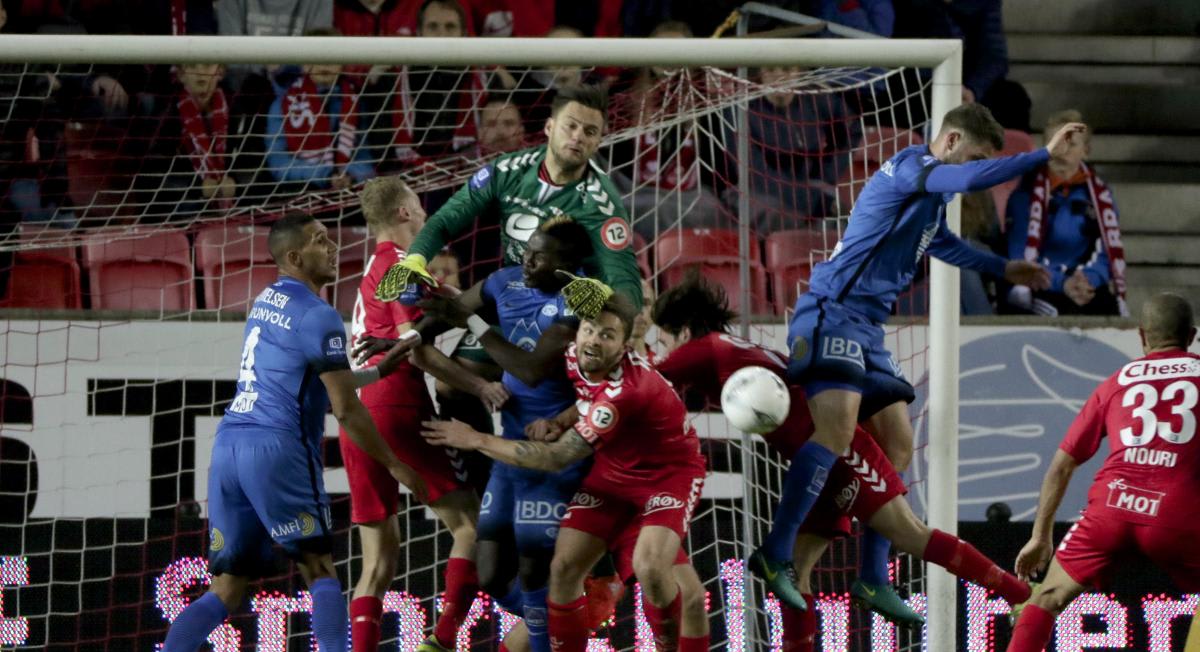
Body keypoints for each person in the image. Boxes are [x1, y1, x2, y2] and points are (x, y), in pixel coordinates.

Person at [751, 103, 1081, 612]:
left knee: (900, 446)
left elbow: (942, 243)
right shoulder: (910, 167)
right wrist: (1042, 155)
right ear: (950, 142)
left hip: (867, 328)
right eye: (973, 157)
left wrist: (1002, 268)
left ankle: (872, 577)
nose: (973, 170)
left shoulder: (931, 196)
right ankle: (776, 552)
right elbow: (969, 178)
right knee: (835, 433)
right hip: (831, 312)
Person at [652, 272, 1036, 640]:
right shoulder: (728, 346)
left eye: (663, 339)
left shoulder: (702, 349)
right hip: (817, 461)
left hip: (839, 451)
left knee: (910, 533)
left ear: (683, 332)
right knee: (797, 570)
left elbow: (647, 376)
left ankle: (1019, 594)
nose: (663, 347)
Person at [161, 212, 426, 652]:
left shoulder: (266, 300)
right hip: (277, 446)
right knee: (319, 567)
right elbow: (344, 408)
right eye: (320, 240)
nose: (333, 247)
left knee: (226, 587)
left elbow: (318, 380)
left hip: (230, 446)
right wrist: (395, 465)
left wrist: (378, 373)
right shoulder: (319, 315)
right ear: (295, 257)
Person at [357, 218, 624, 652]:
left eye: (539, 257)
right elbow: (449, 311)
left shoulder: (579, 305)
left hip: (557, 453)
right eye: (527, 251)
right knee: (492, 574)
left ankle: (561, 626)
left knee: (535, 570)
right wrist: (404, 342)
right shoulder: (504, 281)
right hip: (510, 449)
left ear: (567, 266)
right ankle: (567, 622)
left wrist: (476, 325)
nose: (527, 261)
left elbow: (531, 371)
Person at [421, 292, 710, 651]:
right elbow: (587, 396)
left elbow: (556, 458)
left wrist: (475, 438)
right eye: (589, 330)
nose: (594, 340)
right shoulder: (575, 355)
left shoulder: (626, 392)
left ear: (623, 346)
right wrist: (560, 420)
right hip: (612, 472)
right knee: (562, 569)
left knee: (657, 572)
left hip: (666, 477)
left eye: (607, 335)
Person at [342, 177, 508, 652]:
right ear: (403, 213)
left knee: (377, 562)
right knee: (470, 526)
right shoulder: (399, 264)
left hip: (358, 415)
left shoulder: (377, 265)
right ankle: (442, 641)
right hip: (396, 403)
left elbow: (447, 302)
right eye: (418, 207)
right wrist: (482, 386)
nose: (425, 217)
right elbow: (414, 349)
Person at [1008, 293, 1200, 651]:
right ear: (1191, 336)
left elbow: (1062, 465)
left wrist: (1040, 536)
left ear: (1142, 335)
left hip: (1112, 506)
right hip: (1175, 511)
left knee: (1046, 598)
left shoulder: (1117, 382)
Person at [375, 83, 644, 308]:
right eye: (570, 126)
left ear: (598, 142)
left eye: (589, 132)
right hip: (511, 295)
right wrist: (415, 259)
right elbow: (447, 219)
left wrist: (605, 295)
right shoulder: (507, 171)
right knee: (435, 331)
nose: (577, 137)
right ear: (549, 127)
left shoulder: (602, 203)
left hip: (564, 310)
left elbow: (626, 280)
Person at [1006, 110, 1126, 317]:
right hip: (1040, 284)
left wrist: (1088, 279)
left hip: (1084, 283)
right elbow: (1019, 254)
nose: (1062, 151)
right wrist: (1062, 283)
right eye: (1056, 143)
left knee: (1109, 312)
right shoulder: (1025, 193)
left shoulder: (1100, 195)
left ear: (1086, 151)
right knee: (1062, 313)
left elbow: (1107, 251)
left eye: (1071, 144)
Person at [264, 31, 376, 193]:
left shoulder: (355, 101)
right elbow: (278, 162)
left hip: (348, 189)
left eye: (332, 57)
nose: (325, 64)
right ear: (303, 63)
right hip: (299, 191)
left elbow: (365, 156)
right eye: (317, 56)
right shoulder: (282, 104)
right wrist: (325, 175)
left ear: (342, 63)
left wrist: (350, 175)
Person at [389, 0, 486, 166]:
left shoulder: (485, 81)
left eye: (450, 27)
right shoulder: (393, 81)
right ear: (419, 32)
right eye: (433, 27)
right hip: (407, 171)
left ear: (463, 34)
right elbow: (383, 148)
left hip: (470, 170)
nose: (442, 35)